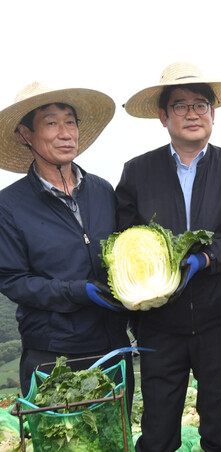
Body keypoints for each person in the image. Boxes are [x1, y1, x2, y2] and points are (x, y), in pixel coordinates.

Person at [116, 61, 221, 452]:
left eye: (201, 104)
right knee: (159, 431)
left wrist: (207, 259)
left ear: (213, 113)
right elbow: (123, 238)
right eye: (180, 105)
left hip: (218, 319)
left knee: (218, 425)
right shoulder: (137, 172)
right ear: (163, 116)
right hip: (159, 324)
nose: (192, 114)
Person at [0, 82, 133, 401]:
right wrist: (77, 291)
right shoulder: (10, 205)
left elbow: (123, 253)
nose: (65, 133)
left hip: (113, 350)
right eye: (50, 122)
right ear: (25, 134)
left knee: (117, 444)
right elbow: (13, 281)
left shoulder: (102, 190)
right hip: (53, 356)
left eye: (70, 121)